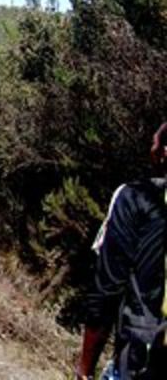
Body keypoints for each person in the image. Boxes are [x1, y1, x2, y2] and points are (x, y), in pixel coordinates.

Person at [75, 123, 167, 380]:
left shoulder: (135, 197)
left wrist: (84, 369)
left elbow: (107, 289)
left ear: (163, 153)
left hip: (143, 355)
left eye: (154, 143)